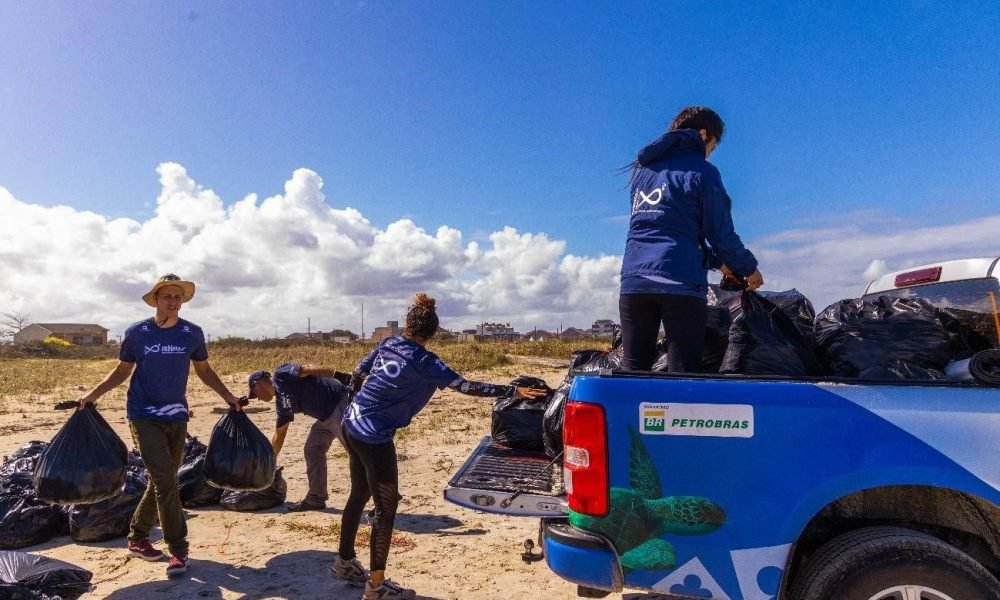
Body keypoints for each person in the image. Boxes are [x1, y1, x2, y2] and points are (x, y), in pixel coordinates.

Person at [331, 293, 548, 600]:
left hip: (350, 423)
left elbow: (358, 373)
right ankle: (376, 587)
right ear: (433, 333)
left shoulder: (388, 343)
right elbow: (467, 387)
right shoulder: (427, 362)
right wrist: (513, 389)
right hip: (374, 436)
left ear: (408, 325)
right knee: (386, 508)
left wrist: (359, 403)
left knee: (359, 493)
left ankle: (344, 563)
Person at [77, 273, 242, 577]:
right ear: (156, 299)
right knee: (167, 482)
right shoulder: (137, 333)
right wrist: (92, 394)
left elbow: (204, 370)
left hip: (177, 415)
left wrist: (228, 395)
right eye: (167, 296)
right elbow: (121, 370)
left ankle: (138, 538)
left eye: (178, 296)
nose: (173, 301)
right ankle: (178, 549)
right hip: (143, 414)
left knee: (161, 481)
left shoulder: (192, 333)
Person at [619, 106, 764, 372]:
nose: (710, 153)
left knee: (633, 370)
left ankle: (629, 415)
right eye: (713, 146)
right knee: (682, 371)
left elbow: (665, 230)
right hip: (680, 286)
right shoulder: (703, 172)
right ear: (704, 134)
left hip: (634, 283)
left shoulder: (643, 172)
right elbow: (721, 234)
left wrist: (719, 264)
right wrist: (749, 269)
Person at [247, 364, 352, 512]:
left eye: (254, 394)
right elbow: (280, 434)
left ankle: (385, 494)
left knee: (359, 455)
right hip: (325, 419)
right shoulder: (281, 405)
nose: (257, 399)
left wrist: (340, 375)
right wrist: (268, 462)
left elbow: (307, 369)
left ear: (256, 384)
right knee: (312, 450)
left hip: (339, 405)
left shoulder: (281, 375)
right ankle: (316, 498)